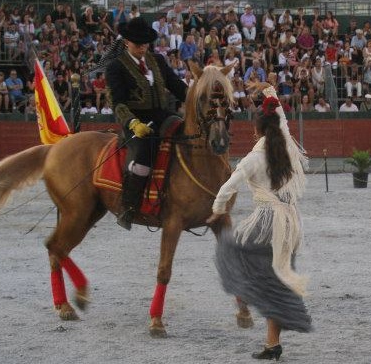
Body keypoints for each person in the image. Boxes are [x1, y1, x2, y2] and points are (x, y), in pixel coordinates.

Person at [207, 85, 311, 360]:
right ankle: (272, 344)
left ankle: (243, 296)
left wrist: (217, 211)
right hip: (290, 223)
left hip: (267, 221)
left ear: (257, 131)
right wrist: (269, 92)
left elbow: (228, 187)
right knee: (276, 282)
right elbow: (282, 119)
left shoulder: (253, 159)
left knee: (232, 254)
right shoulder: (286, 143)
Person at [106, 16, 188, 230]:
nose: (142, 47)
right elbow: (118, 103)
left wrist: (197, 98)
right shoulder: (116, 66)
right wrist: (132, 123)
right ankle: (128, 206)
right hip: (135, 119)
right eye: (137, 43)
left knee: (184, 132)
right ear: (126, 42)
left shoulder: (157, 61)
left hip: (161, 114)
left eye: (145, 43)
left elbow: (177, 86)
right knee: (145, 149)